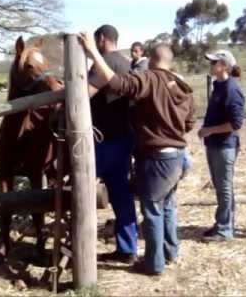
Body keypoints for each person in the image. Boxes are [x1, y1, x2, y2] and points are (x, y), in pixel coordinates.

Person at [81, 33, 196, 276]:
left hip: (156, 157)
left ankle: (153, 265)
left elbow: (119, 84)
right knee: (167, 206)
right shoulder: (183, 87)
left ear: (152, 60)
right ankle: (170, 252)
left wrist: (92, 52)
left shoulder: (150, 80)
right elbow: (189, 123)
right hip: (178, 155)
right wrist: (171, 129)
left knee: (152, 209)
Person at [88, 25, 138, 264]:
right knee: (121, 194)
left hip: (104, 140)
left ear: (101, 39)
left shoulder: (104, 62)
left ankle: (80, 245)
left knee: (80, 189)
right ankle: (127, 248)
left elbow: (84, 91)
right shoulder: (127, 62)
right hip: (124, 136)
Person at [198, 50, 245, 242]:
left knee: (224, 187)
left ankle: (225, 229)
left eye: (214, 62)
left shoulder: (231, 89)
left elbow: (235, 124)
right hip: (216, 144)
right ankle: (223, 222)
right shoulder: (219, 86)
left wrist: (209, 130)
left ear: (225, 66)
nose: (211, 65)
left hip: (225, 145)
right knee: (220, 186)